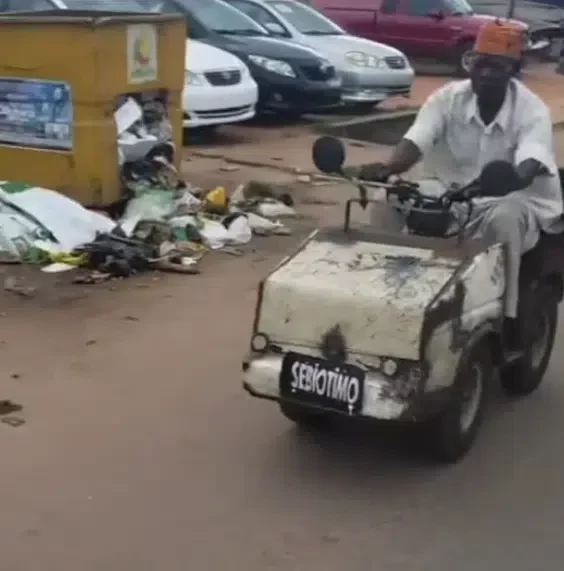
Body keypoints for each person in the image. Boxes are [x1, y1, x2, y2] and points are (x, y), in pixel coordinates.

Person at [346, 20, 563, 349]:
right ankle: (380, 291)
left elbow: (528, 166)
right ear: (470, 64)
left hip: (511, 200)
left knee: (507, 216)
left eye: (497, 65)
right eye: (480, 63)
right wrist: (388, 168)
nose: (486, 73)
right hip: (452, 193)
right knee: (386, 197)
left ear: (514, 69)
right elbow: (416, 141)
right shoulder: (447, 99)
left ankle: (504, 317)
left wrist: (506, 180)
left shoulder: (532, 111)